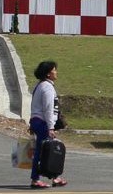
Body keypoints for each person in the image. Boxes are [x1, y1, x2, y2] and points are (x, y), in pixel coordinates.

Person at [28, 61, 67, 189]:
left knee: (48, 150)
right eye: (54, 70)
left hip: (37, 121)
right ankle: (35, 180)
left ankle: (55, 177)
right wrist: (51, 127)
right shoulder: (47, 87)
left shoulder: (39, 86)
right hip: (43, 123)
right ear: (48, 73)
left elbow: (35, 106)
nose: (56, 72)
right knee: (41, 151)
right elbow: (48, 108)